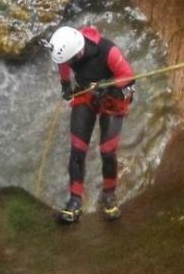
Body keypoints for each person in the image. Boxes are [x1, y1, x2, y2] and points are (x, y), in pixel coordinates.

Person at [47, 25, 135, 223]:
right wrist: (65, 85)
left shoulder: (108, 51)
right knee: (77, 148)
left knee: (107, 150)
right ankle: (75, 200)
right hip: (86, 93)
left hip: (113, 95)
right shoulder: (68, 51)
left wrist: (109, 85)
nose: (67, 63)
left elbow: (128, 76)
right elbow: (62, 64)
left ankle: (109, 195)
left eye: (70, 60)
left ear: (77, 53)